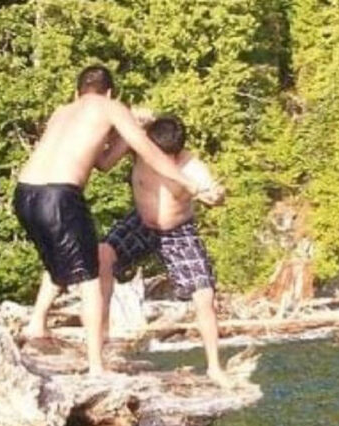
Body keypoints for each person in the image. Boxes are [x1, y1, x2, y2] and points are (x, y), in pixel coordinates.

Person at [14, 66, 209, 375]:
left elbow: (103, 162)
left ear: (78, 92)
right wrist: (191, 184)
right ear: (109, 92)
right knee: (90, 277)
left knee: (59, 264)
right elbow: (152, 153)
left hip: (24, 195)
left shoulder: (62, 111)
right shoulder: (112, 107)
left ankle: (36, 325)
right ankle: (95, 367)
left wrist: (131, 129)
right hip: (60, 196)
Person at [96, 113, 232, 387]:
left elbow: (214, 194)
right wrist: (134, 119)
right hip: (142, 222)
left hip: (177, 230)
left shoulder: (193, 168)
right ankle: (102, 344)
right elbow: (106, 152)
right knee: (103, 255)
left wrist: (217, 197)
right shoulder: (139, 145)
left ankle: (214, 367)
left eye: (169, 157)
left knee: (204, 292)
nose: (162, 162)